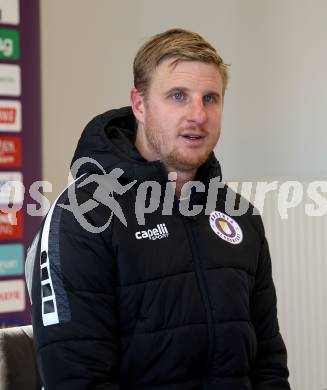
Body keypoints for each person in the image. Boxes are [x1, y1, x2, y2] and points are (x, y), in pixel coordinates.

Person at [26, 28, 290, 389]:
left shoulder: (240, 216)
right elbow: (77, 377)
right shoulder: (82, 217)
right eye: (178, 96)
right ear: (139, 105)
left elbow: (269, 364)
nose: (198, 114)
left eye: (210, 98)